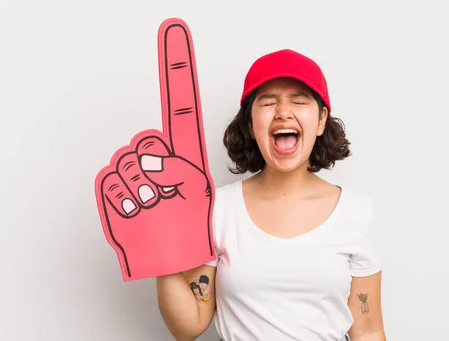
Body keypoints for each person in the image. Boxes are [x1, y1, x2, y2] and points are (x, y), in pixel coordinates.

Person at [155, 49, 385, 341]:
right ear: (250, 124)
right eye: (268, 102)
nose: (283, 111)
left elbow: (368, 329)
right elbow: (188, 326)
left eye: (299, 101)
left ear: (321, 121)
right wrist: (157, 247)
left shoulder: (356, 213)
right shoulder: (217, 209)